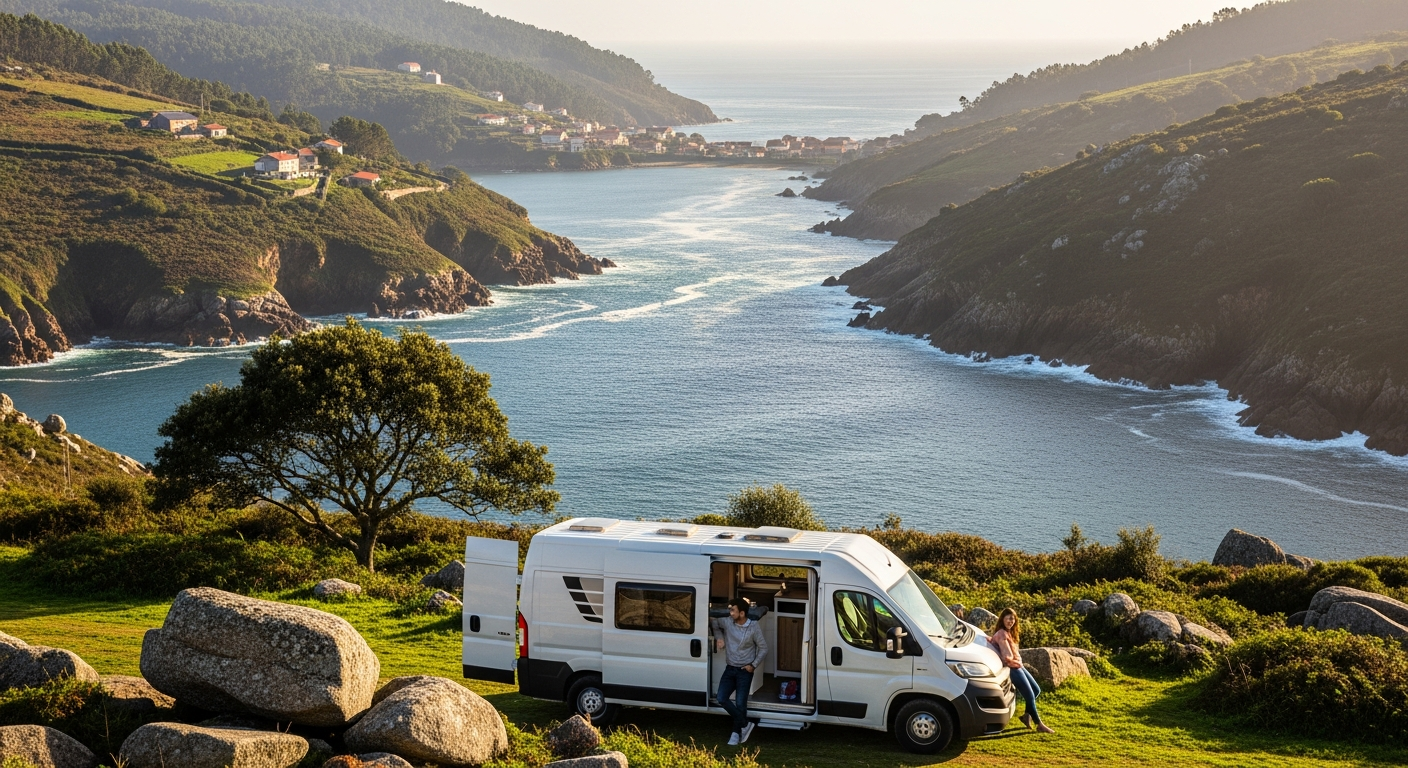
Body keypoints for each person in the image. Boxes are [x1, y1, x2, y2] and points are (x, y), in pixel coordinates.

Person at [713, 597, 768, 745]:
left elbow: (763, 648)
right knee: (721, 698)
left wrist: (753, 665)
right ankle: (745, 724)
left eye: (733, 610)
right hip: (730, 669)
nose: (730, 613)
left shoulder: (753, 627)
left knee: (740, 704)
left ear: (742, 613)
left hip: (745, 671)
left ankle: (736, 734)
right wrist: (719, 638)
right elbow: (714, 622)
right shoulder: (727, 622)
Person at [990, 607, 1055, 734]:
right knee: (1030, 695)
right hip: (1014, 668)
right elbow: (1007, 657)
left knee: (1036, 690)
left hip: (1019, 666)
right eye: (1008, 618)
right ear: (1002, 619)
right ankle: (1039, 724)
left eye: (1013, 619)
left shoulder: (1008, 633)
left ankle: (1026, 716)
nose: (1011, 621)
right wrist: (1016, 663)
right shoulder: (1002, 634)